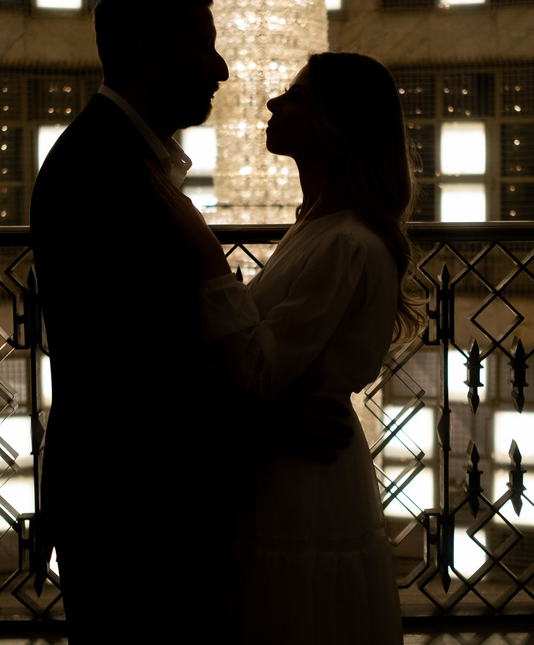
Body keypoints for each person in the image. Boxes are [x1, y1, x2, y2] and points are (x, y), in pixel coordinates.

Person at [30, 0, 352, 643]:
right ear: (152, 55)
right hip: (135, 510)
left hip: (136, 498)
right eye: (204, 47)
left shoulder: (117, 159)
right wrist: (271, 426)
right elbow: (132, 374)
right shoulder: (105, 175)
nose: (222, 68)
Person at [158, 52, 422, 645]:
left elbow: (256, 369)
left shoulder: (345, 242)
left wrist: (207, 261)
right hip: (286, 458)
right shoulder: (318, 228)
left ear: (338, 124)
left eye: (297, 96)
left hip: (304, 472)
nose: (274, 103)